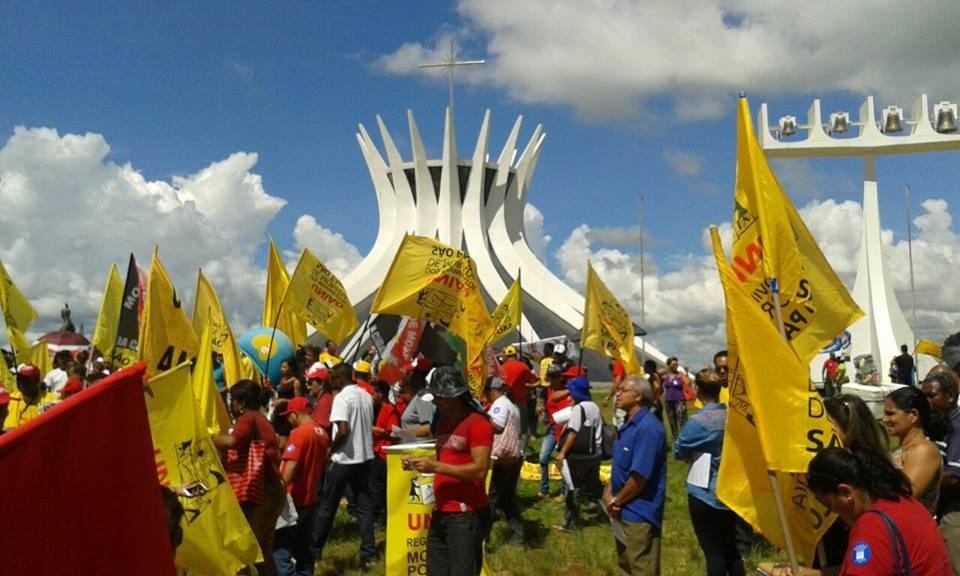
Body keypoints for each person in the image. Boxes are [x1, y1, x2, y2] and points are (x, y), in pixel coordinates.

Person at [403, 367, 493, 576]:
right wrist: (420, 463)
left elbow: (480, 470)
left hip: (465, 515)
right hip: (441, 510)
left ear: (455, 396)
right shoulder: (443, 423)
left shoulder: (478, 424)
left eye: (439, 398)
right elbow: (444, 459)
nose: (435, 402)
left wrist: (436, 467)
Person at [807, 446, 951, 575]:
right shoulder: (905, 502)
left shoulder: (872, 526)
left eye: (827, 503)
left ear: (845, 492)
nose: (833, 511)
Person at [673, 369, 743, 576]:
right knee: (731, 548)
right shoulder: (732, 417)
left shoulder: (698, 421)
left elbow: (679, 448)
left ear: (698, 390)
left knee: (713, 552)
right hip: (729, 488)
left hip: (704, 493)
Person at [213, 379, 284, 576]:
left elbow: (232, 440)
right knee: (261, 551)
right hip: (273, 489)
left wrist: (209, 439)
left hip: (263, 492)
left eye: (232, 401)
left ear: (242, 402)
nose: (231, 405)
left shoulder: (247, 419)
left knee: (241, 549)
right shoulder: (262, 419)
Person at [312, 362, 376, 569]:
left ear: (339, 378)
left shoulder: (341, 399)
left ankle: (314, 550)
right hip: (365, 457)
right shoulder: (366, 396)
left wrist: (332, 449)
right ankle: (369, 553)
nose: (331, 382)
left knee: (327, 506)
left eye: (332, 379)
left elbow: (343, 430)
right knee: (364, 507)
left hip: (344, 459)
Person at [274, 396, 329, 576]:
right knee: (305, 547)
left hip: (294, 497)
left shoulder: (299, 434)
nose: (288, 421)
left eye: (289, 417)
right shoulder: (322, 433)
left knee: (280, 546)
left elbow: (291, 465)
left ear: (295, 414)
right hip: (311, 497)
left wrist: (278, 491)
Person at [883, 386, 947, 515]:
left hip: (913, 530)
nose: (884, 420)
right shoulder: (901, 449)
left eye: (891, 414)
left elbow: (904, 497)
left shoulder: (924, 451)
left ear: (913, 415)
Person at [921, 370, 960, 573]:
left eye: (931, 396)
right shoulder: (939, 424)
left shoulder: (957, 426)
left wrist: (918, 482)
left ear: (951, 396)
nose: (926, 402)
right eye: (923, 396)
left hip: (955, 513)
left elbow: (953, 478)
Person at [554, 375, 603, 534]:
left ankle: (570, 524)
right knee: (593, 487)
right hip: (595, 452)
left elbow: (573, 433)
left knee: (572, 489)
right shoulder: (594, 406)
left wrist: (562, 453)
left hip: (579, 455)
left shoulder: (578, 409)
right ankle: (607, 513)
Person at [486, 376, 524, 541]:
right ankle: (518, 534)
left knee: (490, 499)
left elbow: (497, 426)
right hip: (513, 456)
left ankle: (483, 537)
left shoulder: (500, 404)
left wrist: (482, 417)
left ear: (492, 391)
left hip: (501, 457)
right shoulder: (512, 405)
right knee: (507, 499)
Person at [538, 363, 574, 498]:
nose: (550, 381)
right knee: (543, 457)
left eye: (553, 378)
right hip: (552, 428)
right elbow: (548, 404)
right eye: (549, 378)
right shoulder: (549, 390)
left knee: (562, 460)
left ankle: (564, 491)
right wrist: (543, 410)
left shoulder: (569, 390)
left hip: (564, 430)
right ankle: (544, 488)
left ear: (560, 378)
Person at [371, 379, 400, 524]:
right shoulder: (381, 409)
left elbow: (392, 432)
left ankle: (381, 516)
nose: (371, 396)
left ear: (380, 394)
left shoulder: (390, 409)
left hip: (384, 453)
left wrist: (372, 429)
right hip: (378, 450)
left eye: (373, 393)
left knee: (378, 486)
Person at [500, 345, 539, 442]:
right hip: (521, 400)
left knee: (508, 425)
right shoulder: (523, 366)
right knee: (523, 428)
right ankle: (522, 451)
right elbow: (532, 380)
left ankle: (507, 445)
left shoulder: (502, 368)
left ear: (506, 356)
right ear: (515, 355)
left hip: (506, 401)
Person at [400, 354, 436, 437]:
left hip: (421, 448)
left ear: (417, 375)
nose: (406, 375)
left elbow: (428, 429)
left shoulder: (424, 397)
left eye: (409, 372)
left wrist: (401, 434)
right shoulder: (419, 395)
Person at [3, 364, 43, 431]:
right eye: (19, 379)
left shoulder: (50, 401)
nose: (21, 383)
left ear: (37, 382)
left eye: (27, 381)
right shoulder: (9, 399)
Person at [661, 357, 688, 438]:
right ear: (669, 365)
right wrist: (667, 370)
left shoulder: (680, 374)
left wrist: (684, 374)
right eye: (673, 364)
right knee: (672, 422)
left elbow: (688, 382)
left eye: (677, 364)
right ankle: (676, 439)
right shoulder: (665, 375)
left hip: (680, 401)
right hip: (669, 401)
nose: (676, 366)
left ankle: (684, 439)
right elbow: (657, 373)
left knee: (682, 421)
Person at [304, 363, 333, 434]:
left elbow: (320, 431)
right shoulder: (324, 398)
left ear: (321, 384)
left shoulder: (325, 401)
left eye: (310, 383)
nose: (308, 387)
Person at [605, 358, 627, 426]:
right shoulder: (621, 363)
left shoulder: (618, 363)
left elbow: (618, 381)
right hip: (622, 393)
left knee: (619, 418)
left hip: (620, 394)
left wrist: (608, 397)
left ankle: (620, 434)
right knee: (616, 418)